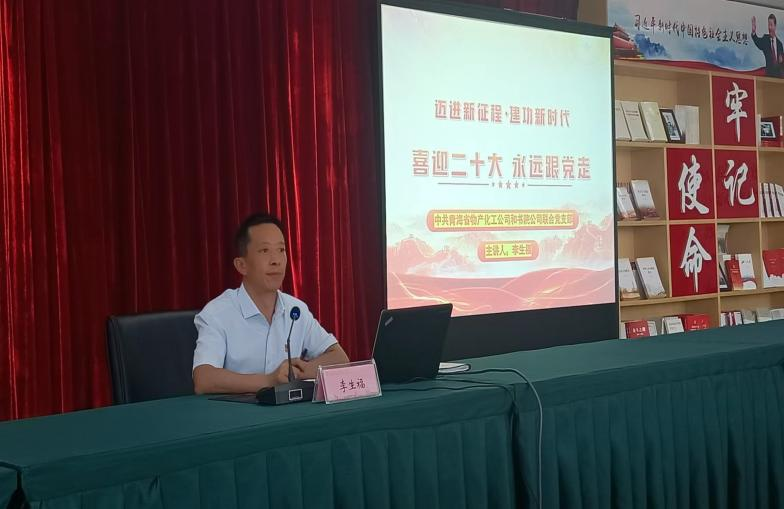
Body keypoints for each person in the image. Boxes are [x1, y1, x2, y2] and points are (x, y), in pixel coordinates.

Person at [192, 213, 349, 394]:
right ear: (241, 265)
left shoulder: (295, 310)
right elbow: (204, 379)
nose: (276, 261)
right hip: (239, 411)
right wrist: (269, 380)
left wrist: (297, 372)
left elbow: (339, 358)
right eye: (265, 251)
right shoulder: (217, 313)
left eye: (281, 250)